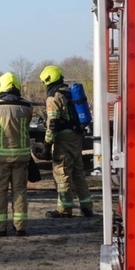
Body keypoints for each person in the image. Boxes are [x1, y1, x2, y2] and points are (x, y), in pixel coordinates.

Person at [40, 65, 93, 218]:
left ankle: (64, 209)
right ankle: (87, 206)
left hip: (63, 138)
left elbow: (53, 124)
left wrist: (46, 144)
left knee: (62, 173)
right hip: (76, 136)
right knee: (78, 172)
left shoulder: (54, 97)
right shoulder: (69, 92)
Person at [0, 72, 32, 237]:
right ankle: (20, 227)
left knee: (0, 191)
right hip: (22, 157)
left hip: (1, 158)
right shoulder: (27, 107)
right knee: (20, 191)